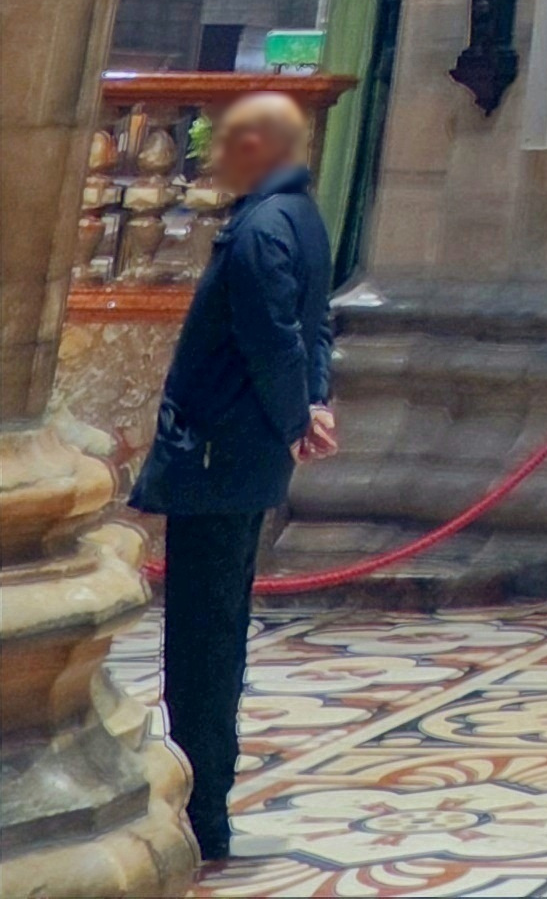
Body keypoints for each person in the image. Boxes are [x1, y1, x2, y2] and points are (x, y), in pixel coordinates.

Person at [134, 92, 335, 869]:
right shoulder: (302, 217)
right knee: (213, 628)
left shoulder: (260, 229)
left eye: (225, 142)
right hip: (245, 454)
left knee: (202, 638)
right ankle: (203, 794)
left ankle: (201, 806)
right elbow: (312, 331)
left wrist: (295, 414)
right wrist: (311, 405)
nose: (213, 156)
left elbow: (272, 336)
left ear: (258, 145)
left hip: (218, 455)